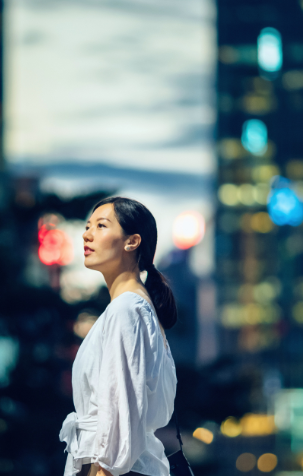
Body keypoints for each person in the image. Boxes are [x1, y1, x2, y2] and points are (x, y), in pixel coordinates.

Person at [59, 197, 179, 476]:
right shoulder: (133, 308)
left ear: (132, 241)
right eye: (88, 226)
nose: (87, 234)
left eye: (101, 226)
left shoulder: (127, 309)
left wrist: (105, 469)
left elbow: (122, 406)